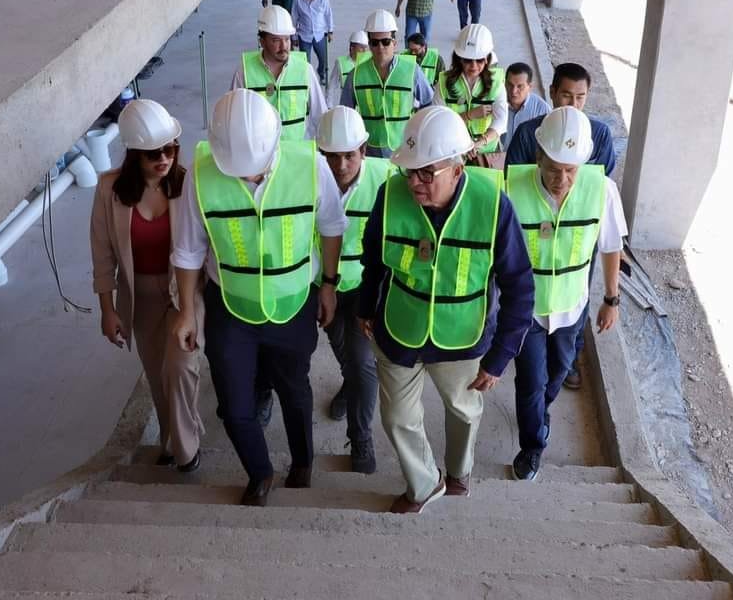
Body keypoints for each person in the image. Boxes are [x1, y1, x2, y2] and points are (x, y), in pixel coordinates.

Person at [356, 105, 534, 514]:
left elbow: (520, 286)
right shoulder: (390, 195)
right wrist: (366, 308)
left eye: (426, 172)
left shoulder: (494, 207)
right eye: (409, 170)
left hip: (463, 337)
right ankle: (424, 484)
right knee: (398, 417)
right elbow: (374, 259)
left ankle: (458, 471)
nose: (414, 182)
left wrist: (500, 356)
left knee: (464, 412)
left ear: (457, 167)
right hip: (399, 329)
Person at [172, 89, 345, 507]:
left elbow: (331, 224)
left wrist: (328, 284)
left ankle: (303, 461)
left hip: (292, 305)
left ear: (274, 143)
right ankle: (260, 471)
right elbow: (189, 248)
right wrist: (186, 314)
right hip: (230, 306)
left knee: (295, 391)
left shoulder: (309, 166)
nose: (247, 177)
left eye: (255, 170)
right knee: (234, 404)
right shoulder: (201, 173)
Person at [506, 107, 625, 481]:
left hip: (572, 308)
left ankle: (541, 412)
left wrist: (611, 298)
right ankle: (532, 445)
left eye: (570, 170)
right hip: (528, 311)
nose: (562, 179)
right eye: (554, 168)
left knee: (556, 374)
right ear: (538, 156)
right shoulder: (511, 187)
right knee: (530, 382)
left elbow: (609, 246)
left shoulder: (600, 190)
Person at [91, 99, 204, 473]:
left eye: (170, 148)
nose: (164, 158)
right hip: (139, 295)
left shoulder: (188, 183)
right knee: (157, 376)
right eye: (152, 153)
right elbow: (103, 253)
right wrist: (108, 310)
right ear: (134, 154)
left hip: (183, 291)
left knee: (181, 366)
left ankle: (187, 449)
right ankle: (171, 441)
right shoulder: (109, 190)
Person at [505, 62, 616, 392]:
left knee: (575, 291)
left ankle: (569, 358)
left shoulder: (600, 134)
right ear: (552, 93)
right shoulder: (529, 133)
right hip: (535, 230)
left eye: (580, 97)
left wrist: (612, 298)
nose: (572, 104)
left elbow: (600, 183)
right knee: (532, 295)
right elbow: (515, 183)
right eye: (566, 95)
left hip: (578, 233)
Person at [315, 106, 391, 473]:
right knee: (344, 352)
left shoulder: (386, 179)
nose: (341, 164)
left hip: (365, 289)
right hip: (324, 287)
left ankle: (360, 437)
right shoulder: (309, 179)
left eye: (349, 155)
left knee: (363, 363)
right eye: (331, 155)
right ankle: (349, 385)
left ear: (364, 149)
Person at [340, 9, 435, 158]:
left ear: (394, 43)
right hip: (369, 152)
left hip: (404, 149)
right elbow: (345, 115)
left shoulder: (412, 71)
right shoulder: (356, 75)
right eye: (374, 43)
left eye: (385, 42)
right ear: (369, 45)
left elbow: (429, 105)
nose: (380, 47)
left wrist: (417, 135)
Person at [231, 5, 328, 142]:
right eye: (276, 40)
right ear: (262, 42)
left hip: (297, 155)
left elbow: (320, 116)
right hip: (260, 157)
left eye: (287, 39)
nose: (284, 47)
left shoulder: (305, 70)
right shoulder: (244, 72)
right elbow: (235, 120)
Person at [435, 24, 507, 164]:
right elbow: (439, 122)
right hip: (453, 153)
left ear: (487, 59)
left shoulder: (496, 83)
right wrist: (469, 115)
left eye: (479, 60)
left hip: (486, 154)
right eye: (468, 60)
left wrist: (479, 143)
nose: (473, 66)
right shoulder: (443, 83)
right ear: (459, 58)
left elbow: (501, 121)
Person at [291, 0, 334, 88]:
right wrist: (294, 37)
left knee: (323, 60)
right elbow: (294, 18)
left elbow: (328, 14)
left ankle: (321, 74)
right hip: (304, 35)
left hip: (320, 35)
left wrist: (330, 31)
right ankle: (308, 81)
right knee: (305, 62)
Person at [503, 62, 551, 150]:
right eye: (510, 85)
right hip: (496, 158)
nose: (514, 91)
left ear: (530, 86)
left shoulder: (542, 110)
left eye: (520, 86)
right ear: (504, 83)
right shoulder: (497, 103)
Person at [327, 31, 370, 107]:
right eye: (361, 48)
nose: (364, 51)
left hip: (365, 108)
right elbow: (332, 86)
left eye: (365, 48)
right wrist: (329, 106)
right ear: (352, 48)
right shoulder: (340, 63)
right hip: (348, 107)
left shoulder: (369, 61)